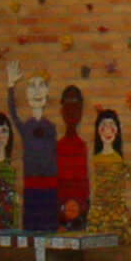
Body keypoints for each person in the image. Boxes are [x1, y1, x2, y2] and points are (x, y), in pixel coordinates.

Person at [7, 63, 59, 231]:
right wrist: (10, 86)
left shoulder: (50, 127)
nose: (37, 91)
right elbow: (13, 114)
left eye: (41, 85)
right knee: (33, 224)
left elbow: (53, 154)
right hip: (31, 183)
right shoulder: (27, 126)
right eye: (32, 86)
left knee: (49, 223)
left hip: (49, 183)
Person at [87, 107, 131, 234]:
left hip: (118, 219)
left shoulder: (119, 161)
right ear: (98, 130)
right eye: (104, 125)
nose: (108, 130)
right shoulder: (94, 160)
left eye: (112, 125)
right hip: (98, 218)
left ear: (118, 131)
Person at [55, 82, 93, 236]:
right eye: (68, 105)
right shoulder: (57, 147)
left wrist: (78, 208)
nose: (72, 111)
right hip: (59, 213)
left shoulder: (82, 146)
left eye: (76, 106)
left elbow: (84, 184)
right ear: (62, 110)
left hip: (80, 213)